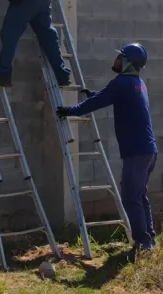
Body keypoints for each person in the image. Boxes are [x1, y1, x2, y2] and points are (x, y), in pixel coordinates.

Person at [56, 42, 157, 261]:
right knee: (139, 196)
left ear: (127, 61)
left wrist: (69, 110)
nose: (115, 60)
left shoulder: (122, 82)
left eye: (119, 57)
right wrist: (92, 94)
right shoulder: (137, 83)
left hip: (136, 152)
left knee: (131, 198)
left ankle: (143, 245)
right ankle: (150, 240)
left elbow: (100, 102)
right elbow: (111, 97)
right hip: (148, 151)